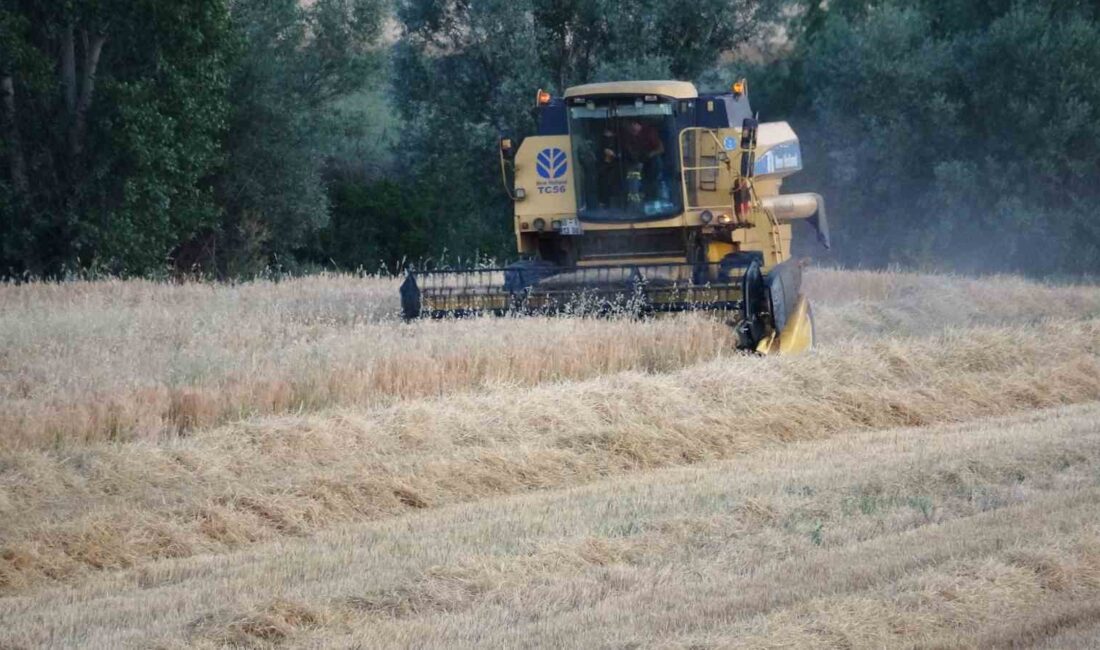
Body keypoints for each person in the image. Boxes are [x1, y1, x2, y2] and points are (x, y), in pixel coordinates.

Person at [620, 120, 666, 201]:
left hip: (651, 161)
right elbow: (628, 150)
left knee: (656, 165)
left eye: (632, 126)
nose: (631, 129)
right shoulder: (627, 136)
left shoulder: (649, 133)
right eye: (629, 128)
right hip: (633, 161)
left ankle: (653, 197)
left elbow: (661, 149)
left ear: (636, 124)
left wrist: (647, 157)